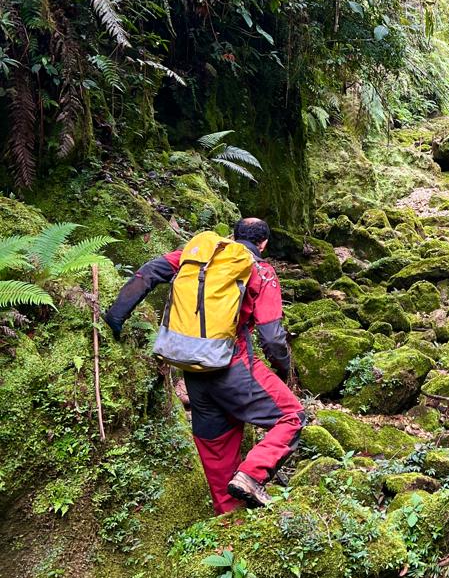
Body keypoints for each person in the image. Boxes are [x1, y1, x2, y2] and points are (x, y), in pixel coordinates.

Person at [104, 217, 305, 513]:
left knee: (217, 449)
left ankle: (230, 520)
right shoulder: (260, 270)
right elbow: (272, 337)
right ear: (263, 244)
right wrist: (283, 368)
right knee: (291, 416)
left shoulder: (199, 255)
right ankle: (251, 475)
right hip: (232, 366)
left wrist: (114, 317)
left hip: (191, 369)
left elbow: (150, 272)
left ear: (233, 235)